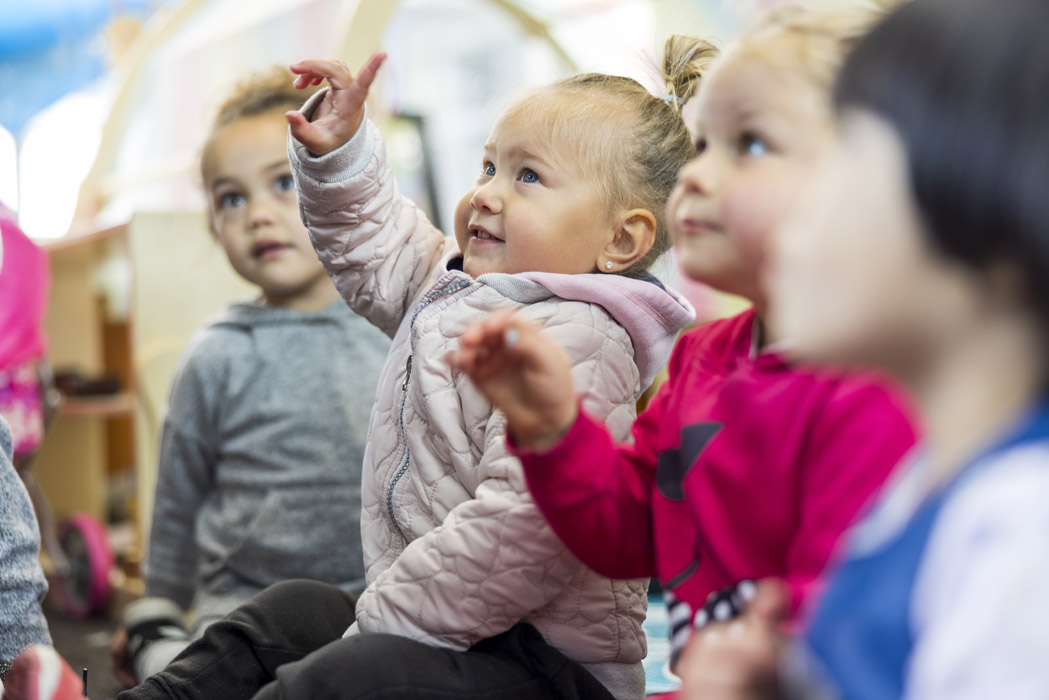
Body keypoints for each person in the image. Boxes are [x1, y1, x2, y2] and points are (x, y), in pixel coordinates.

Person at [118, 36, 708, 700]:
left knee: (352, 674)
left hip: (546, 670)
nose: (485, 194)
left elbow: (520, 534)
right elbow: (377, 243)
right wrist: (338, 154)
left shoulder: (583, 341)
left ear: (619, 240)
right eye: (488, 166)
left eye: (528, 177)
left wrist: (380, 629)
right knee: (286, 614)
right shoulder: (452, 287)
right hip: (443, 627)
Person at [453, 0, 916, 680]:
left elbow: (857, 620)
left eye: (748, 146)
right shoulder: (706, 357)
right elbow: (630, 532)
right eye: (700, 147)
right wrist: (554, 431)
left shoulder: (878, 386)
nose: (694, 176)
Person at [678, 0, 1049, 698]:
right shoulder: (922, 490)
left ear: (993, 219)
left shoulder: (1023, 535)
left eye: (843, 155)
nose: (800, 202)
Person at [110, 67, 391, 687]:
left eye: (283, 183)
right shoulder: (215, 354)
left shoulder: (393, 328)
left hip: (378, 601)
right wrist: (160, 602)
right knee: (215, 672)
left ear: (335, 188)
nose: (259, 215)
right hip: (240, 611)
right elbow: (179, 498)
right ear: (213, 227)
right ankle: (158, 655)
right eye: (232, 199)